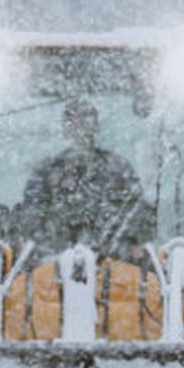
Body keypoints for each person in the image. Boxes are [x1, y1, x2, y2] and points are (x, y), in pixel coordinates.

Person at [15, 96, 150, 257]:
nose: (82, 127)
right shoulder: (45, 173)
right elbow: (32, 221)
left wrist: (128, 246)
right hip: (55, 270)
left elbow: (137, 214)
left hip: (113, 270)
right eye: (74, 120)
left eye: (87, 118)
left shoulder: (119, 170)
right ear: (66, 128)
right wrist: (51, 253)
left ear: (96, 126)